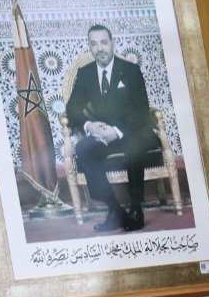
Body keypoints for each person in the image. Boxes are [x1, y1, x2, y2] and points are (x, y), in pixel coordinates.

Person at [65, 24, 161, 232]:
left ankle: (136, 209)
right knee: (83, 148)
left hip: (135, 130)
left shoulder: (131, 70)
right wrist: (90, 125)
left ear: (112, 43)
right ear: (90, 47)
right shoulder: (86, 74)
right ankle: (114, 210)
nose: (99, 48)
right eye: (94, 44)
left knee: (134, 144)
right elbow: (71, 108)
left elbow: (141, 111)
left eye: (103, 42)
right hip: (104, 134)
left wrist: (116, 131)